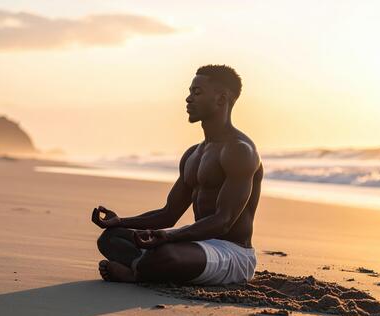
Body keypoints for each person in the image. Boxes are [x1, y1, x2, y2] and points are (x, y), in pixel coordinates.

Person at [91, 64, 263, 285]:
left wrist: (169, 236)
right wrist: (120, 221)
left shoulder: (240, 150)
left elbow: (224, 221)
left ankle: (137, 273)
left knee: (165, 254)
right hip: (195, 246)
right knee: (111, 238)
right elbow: (168, 214)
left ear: (221, 99)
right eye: (190, 91)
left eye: (197, 92)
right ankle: (145, 266)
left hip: (232, 253)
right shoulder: (193, 153)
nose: (188, 99)